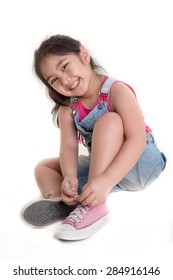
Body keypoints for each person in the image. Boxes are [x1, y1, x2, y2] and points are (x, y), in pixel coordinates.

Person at [21, 34, 166, 240]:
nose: (65, 80)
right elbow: (69, 147)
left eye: (64, 66)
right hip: (104, 169)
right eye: (54, 80)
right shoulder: (67, 108)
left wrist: (105, 181)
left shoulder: (116, 91)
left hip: (140, 164)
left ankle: (95, 207)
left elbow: (137, 139)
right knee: (44, 168)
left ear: (84, 55)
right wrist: (69, 177)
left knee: (110, 121)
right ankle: (64, 202)